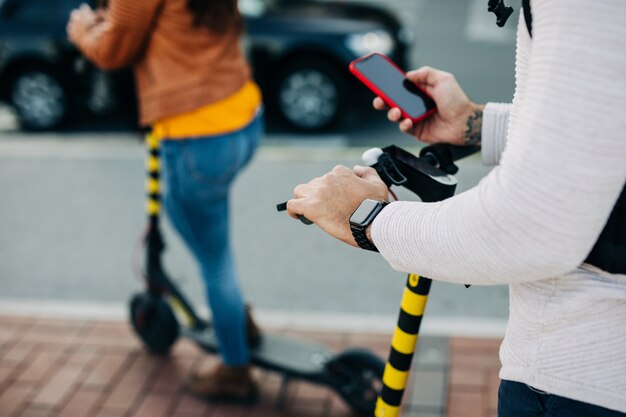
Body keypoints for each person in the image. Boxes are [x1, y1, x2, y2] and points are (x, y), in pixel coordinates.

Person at [286, 0, 626, 415]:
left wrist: (366, 218)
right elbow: (600, 124)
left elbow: (527, 228)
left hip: (584, 382)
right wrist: (476, 123)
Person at [67, 0, 263, 402]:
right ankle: (236, 319)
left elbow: (112, 50)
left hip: (198, 137)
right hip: (244, 117)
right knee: (195, 228)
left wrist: (82, 28)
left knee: (214, 258)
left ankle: (234, 366)